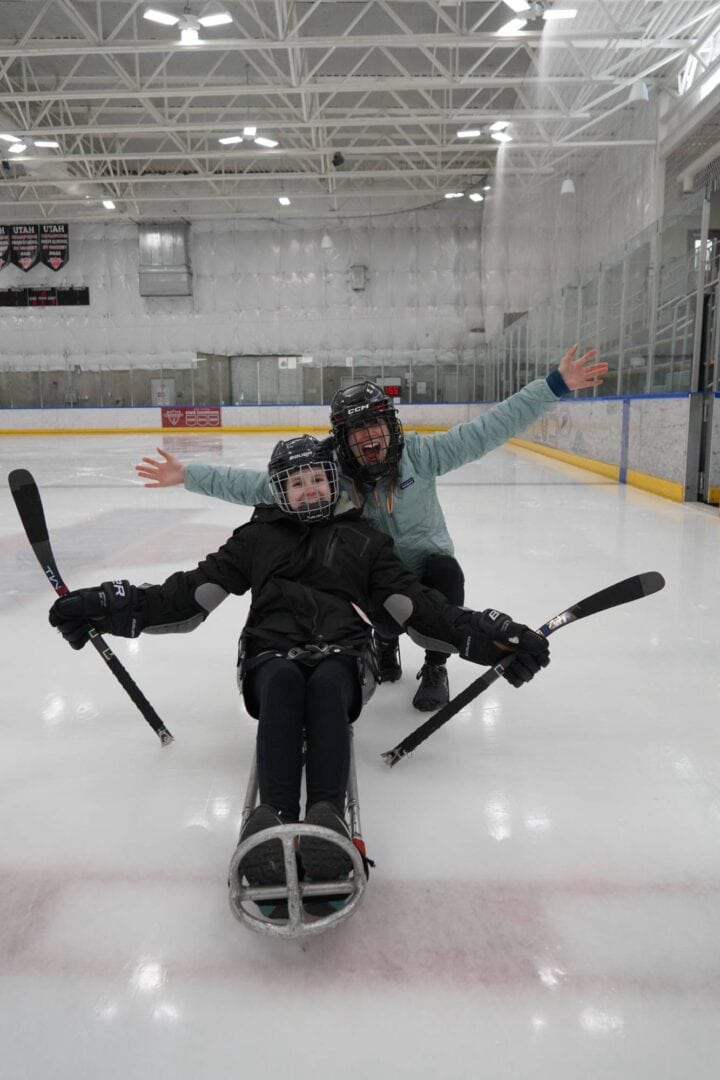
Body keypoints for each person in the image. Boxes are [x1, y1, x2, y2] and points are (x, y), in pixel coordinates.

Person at [50, 436, 550, 915]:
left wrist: (491, 637)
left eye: (317, 479)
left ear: (333, 481)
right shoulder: (256, 538)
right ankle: (273, 818)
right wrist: (106, 607)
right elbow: (184, 597)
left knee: (330, 683)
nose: (309, 490)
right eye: (297, 483)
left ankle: (327, 816)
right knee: (285, 684)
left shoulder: (365, 540)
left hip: (347, 654)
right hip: (270, 653)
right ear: (280, 491)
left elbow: (425, 611)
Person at [135, 346, 603, 713]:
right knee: (332, 578)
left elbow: (488, 428)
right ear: (343, 438)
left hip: (421, 573)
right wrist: (189, 475)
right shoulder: (331, 470)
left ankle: (435, 666)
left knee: (447, 573)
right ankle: (383, 642)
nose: (368, 438)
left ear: (389, 425)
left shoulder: (423, 455)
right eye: (356, 432)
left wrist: (555, 384)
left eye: (375, 426)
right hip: (370, 576)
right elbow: (263, 487)